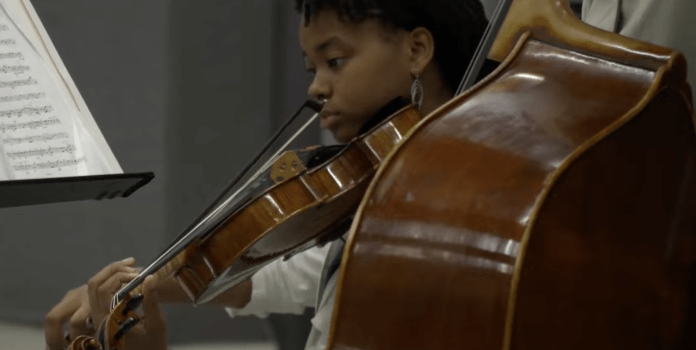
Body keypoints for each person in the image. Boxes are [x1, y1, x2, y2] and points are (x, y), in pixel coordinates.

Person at [43, 1, 489, 350]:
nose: (315, 87)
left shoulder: (448, 225)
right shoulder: (380, 205)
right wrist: (144, 285)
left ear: (416, 50)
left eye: (334, 60)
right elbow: (283, 276)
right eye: (311, 68)